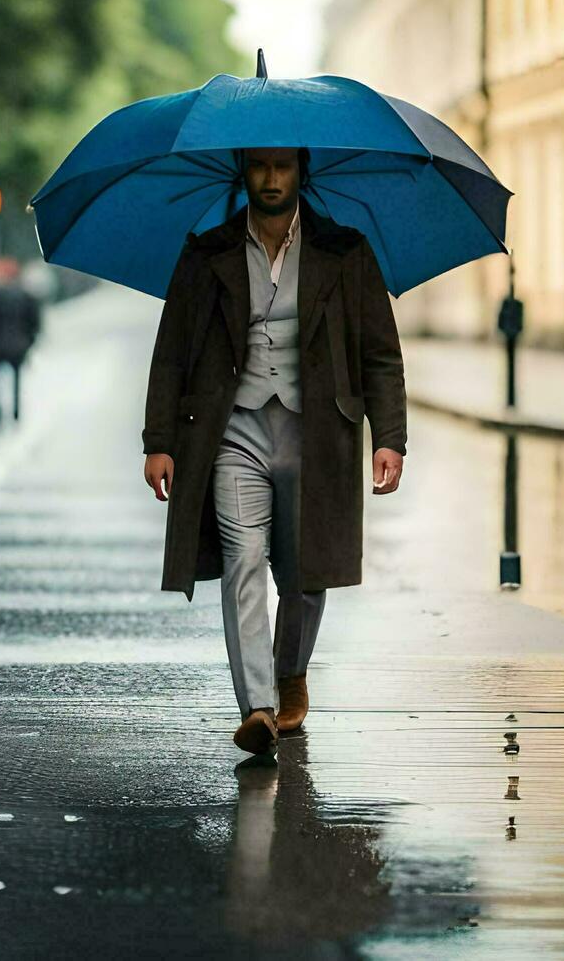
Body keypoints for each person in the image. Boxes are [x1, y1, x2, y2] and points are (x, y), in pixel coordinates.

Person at [141, 147, 408, 755]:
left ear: (300, 173)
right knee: (243, 560)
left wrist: (389, 436)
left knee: (307, 573)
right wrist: (160, 441)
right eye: (259, 166)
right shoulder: (205, 253)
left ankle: (290, 673)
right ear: (244, 171)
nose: (270, 178)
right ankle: (258, 705)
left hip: (318, 432)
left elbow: (380, 354)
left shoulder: (346, 252)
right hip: (234, 431)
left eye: (281, 166)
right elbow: (171, 354)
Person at [0, 257, 42, 425]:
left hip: (0, 346)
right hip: (18, 346)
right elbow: (34, 323)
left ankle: (0, 413)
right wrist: (29, 341)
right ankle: (15, 412)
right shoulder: (26, 296)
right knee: (15, 381)